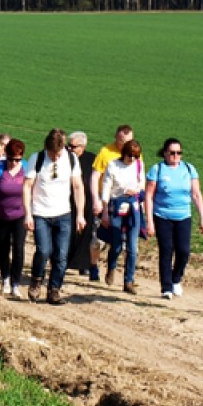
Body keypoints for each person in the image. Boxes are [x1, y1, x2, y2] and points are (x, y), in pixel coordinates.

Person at [24, 128, 86, 305]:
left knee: (61, 255)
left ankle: (54, 290)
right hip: (41, 213)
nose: (55, 157)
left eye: (58, 153)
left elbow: (78, 187)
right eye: (52, 153)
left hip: (63, 214)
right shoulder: (37, 159)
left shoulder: (72, 159)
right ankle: (36, 280)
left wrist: (80, 214)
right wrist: (28, 214)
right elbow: (27, 186)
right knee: (44, 251)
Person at [144, 137, 203, 300]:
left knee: (183, 251)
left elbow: (196, 194)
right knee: (166, 250)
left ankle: (176, 278)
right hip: (162, 215)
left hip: (183, 215)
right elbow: (149, 196)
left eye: (179, 153)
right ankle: (166, 287)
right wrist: (149, 221)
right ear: (165, 153)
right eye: (172, 153)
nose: (175, 156)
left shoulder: (188, 169)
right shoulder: (157, 170)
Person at [98, 140, 146, 293]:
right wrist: (104, 211)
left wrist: (136, 192)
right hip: (116, 207)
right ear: (123, 153)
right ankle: (111, 266)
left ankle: (129, 281)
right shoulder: (113, 165)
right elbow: (106, 188)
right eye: (129, 155)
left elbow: (141, 184)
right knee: (117, 244)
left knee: (132, 247)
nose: (132, 159)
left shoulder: (138, 165)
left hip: (133, 207)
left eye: (135, 156)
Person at [89, 125, 135, 281]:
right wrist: (96, 200)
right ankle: (93, 266)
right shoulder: (106, 152)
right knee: (98, 241)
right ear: (116, 137)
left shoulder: (135, 154)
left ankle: (113, 269)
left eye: (128, 141)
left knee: (119, 242)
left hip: (126, 206)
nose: (125, 145)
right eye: (122, 141)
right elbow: (95, 177)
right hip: (106, 203)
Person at [0, 139, 27, 298]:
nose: (14, 163)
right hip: (1, 215)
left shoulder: (26, 169)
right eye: (10, 159)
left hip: (19, 215)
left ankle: (16, 283)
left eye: (17, 159)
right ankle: (6, 278)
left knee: (19, 249)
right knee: (3, 249)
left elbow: (31, 192)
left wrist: (30, 215)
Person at [65, 131, 97, 277]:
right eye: (68, 146)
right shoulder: (64, 158)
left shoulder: (92, 159)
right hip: (66, 200)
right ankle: (64, 261)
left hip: (87, 202)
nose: (70, 149)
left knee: (85, 234)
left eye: (73, 147)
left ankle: (83, 264)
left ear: (82, 147)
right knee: (67, 233)